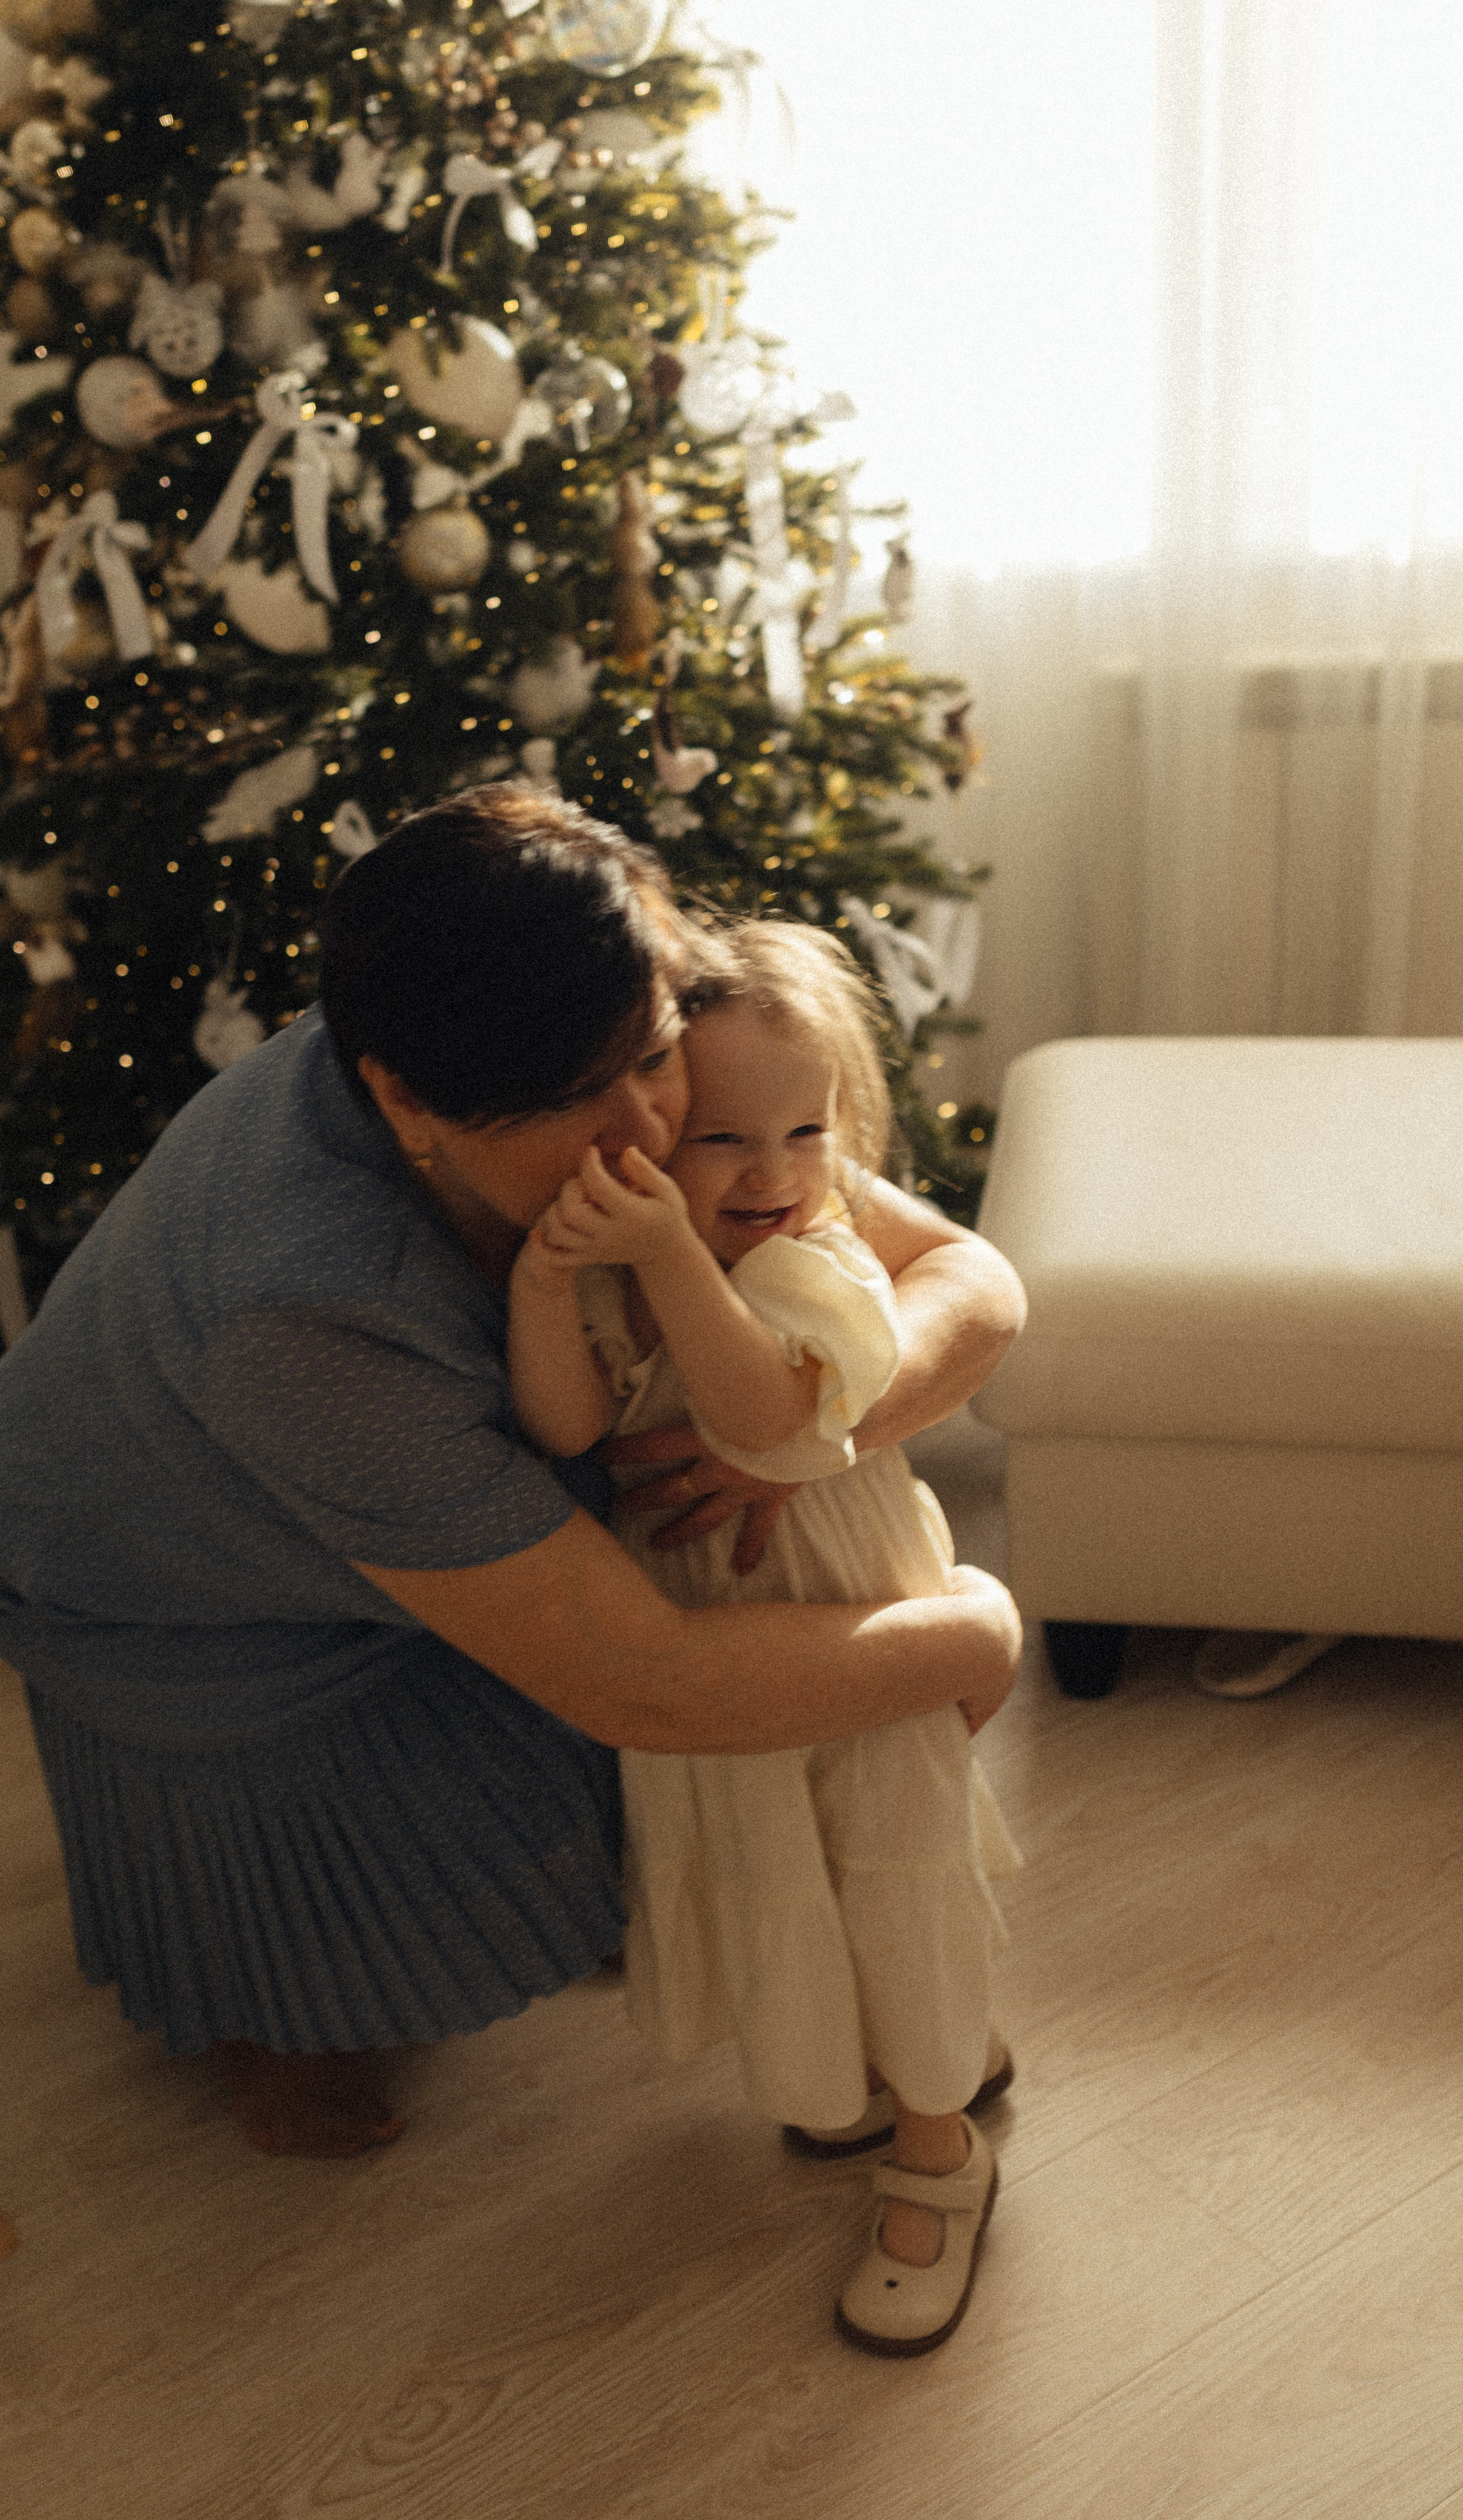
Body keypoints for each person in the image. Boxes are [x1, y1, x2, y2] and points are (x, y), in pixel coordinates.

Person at [0, 786, 1024, 2170]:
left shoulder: (564, 1035)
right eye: (580, 1100)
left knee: (571, 1802)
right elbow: (645, 1682)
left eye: (654, 1053)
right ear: (398, 1096)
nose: (647, 1129)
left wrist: (801, 1438)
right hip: (123, 1569)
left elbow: (969, 1279)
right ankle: (273, 2022)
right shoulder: (308, 1318)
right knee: (338, 1904)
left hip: (309, 1445)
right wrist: (971, 1635)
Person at [507, 919, 1021, 2356]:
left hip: (856, 1612)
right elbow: (565, 1425)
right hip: (709, 1632)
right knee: (774, 1859)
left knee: (889, 1853)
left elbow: (760, 1418)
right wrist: (549, 1286)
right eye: (723, 1136)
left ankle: (940, 2147)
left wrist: (668, 1246)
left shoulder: (820, 1255)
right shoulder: (634, 1257)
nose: (773, 1170)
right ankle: (885, 2065)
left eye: (806, 1130)